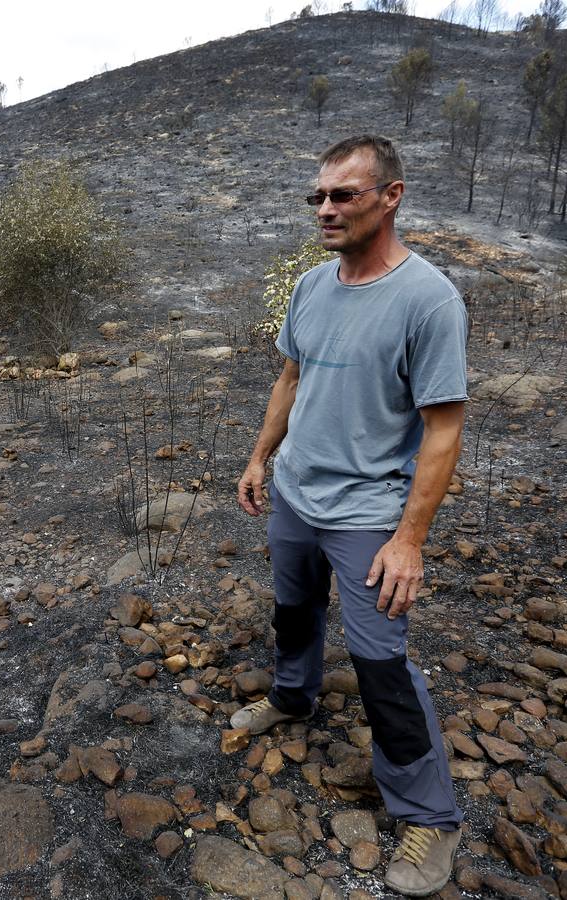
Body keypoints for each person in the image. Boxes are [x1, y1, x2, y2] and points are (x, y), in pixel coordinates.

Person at [233, 134, 467, 897]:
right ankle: (291, 696)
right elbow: (291, 376)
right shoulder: (310, 286)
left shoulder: (428, 299)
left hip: (368, 509)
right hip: (298, 491)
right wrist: (261, 458)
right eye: (318, 197)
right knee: (292, 608)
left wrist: (408, 540)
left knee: (380, 662)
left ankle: (429, 814)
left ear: (391, 196)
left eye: (343, 195)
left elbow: (442, 427)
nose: (325, 209)